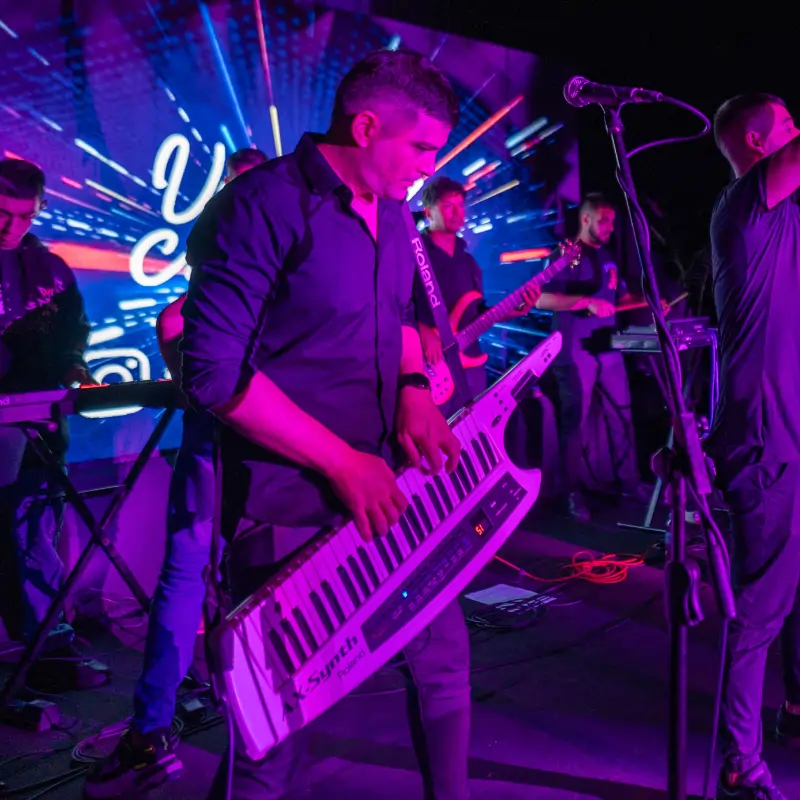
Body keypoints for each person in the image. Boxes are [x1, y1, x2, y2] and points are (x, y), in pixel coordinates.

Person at [181, 50, 469, 800]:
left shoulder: (396, 209)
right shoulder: (263, 204)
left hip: (387, 490)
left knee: (441, 663)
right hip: (286, 508)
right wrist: (342, 462)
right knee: (276, 736)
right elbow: (213, 373)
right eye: (421, 149)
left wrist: (412, 387)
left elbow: (402, 316)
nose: (428, 167)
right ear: (366, 125)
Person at [84, 147, 268, 799]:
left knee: (202, 574)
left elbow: (178, 324)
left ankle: (170, 724)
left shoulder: (237, 245)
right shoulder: (260, 247)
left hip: (247, 449)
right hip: (231, 446)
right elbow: (176, 323)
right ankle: (188, 720)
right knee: (203, 574)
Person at [707, 92, 800, 800]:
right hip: (764, 442)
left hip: (787, 432)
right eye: (789, 125)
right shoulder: (743, 208)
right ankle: (740, 760)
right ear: (760, 142)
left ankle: (793, 706)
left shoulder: (782, 221)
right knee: (760, 607)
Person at [0, 158, 109, 690]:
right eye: (2, 213)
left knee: (37, 527)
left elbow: (74, 335)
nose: (11, 228)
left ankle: (47, 641)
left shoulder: (51, 269)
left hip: (38, 422)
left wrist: (74, 370)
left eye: (24, 217)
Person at [536, 193, 662, 521]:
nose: (610, 228)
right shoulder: (565, 255)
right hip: (575, 351)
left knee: (622, 415)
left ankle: (630, 484)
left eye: (613, 222)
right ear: (587, 219)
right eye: (604, 220)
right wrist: (583, 303)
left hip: (608, 349)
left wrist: (648, 302)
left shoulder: (607, 257)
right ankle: (570, 494)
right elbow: (542, 300)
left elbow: (621, 298)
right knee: (574, 425)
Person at [413, 175, 539, 419]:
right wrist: (423, 331)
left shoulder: (470, 263)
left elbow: (478, 315)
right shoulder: (414, 255)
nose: (457, 212)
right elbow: (394, 307)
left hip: (470, 363)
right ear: (428, 213)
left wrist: (516, 310)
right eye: (448, 206)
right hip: (430, 367)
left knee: (471, 434)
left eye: (460, 206)